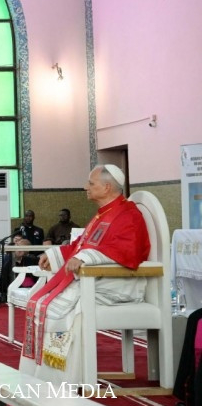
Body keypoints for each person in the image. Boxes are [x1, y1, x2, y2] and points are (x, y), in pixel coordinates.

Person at [19, 164, 150, 385]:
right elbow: (80, 246)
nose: (85, 187)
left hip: (118, 283)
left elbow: (128, 251)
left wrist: (86, 258)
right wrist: (54, 255)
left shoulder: (129, 215)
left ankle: (60, 378)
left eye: (90, 183)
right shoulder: (103, 214)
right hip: (96, 279)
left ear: (107, 187)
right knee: (40, 301)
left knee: (59, 308)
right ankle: (42, 373)